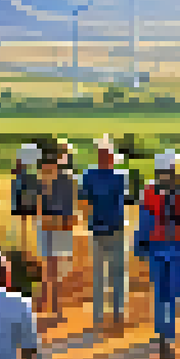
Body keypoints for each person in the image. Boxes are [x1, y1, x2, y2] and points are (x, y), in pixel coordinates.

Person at [134, 148, 180, 359]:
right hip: (175, 245)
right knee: (172, 294)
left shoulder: (148, 191)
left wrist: (140, 248)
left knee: (160, 294)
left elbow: (144, 222)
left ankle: (163, 337)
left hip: (156, 246)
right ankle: (168, 336)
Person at [79, 133, 130, 335]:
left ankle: (111, 313)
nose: (105, 157)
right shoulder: (119, 176)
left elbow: (85, 199)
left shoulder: (91, 175)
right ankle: (110, 313)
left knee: (109, 272)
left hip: (107, 227)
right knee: (109, 272)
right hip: (109, 227)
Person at [35, 139, 79, 320]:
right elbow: (70, 204)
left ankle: (48, 305)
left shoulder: (44, 175)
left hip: (49, 223)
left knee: (51, 266)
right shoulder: (68, 177)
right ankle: (54, 307)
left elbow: (40, 200)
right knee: (56, 267)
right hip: (59, 223)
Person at [9, 144, 43, 257]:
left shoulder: (23, 155)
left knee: (24, 219)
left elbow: (15, 170)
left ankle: (24, 247)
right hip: (31, 186)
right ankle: (34, 248)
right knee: (35, 217)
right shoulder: (36, 157)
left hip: (23, 187)